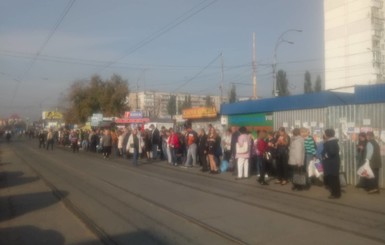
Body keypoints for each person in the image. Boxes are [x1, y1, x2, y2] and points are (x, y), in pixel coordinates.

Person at [322, 128, 341, 199]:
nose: (324, 134)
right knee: (334, 178)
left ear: (327, 135)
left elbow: (332, 152)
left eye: (325, 133)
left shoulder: (331, 142)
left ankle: (335, 194)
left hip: (331, 163)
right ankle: (336, 193)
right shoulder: (332, 141)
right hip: (332, 163)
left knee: (333, 178)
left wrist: (325, 156)